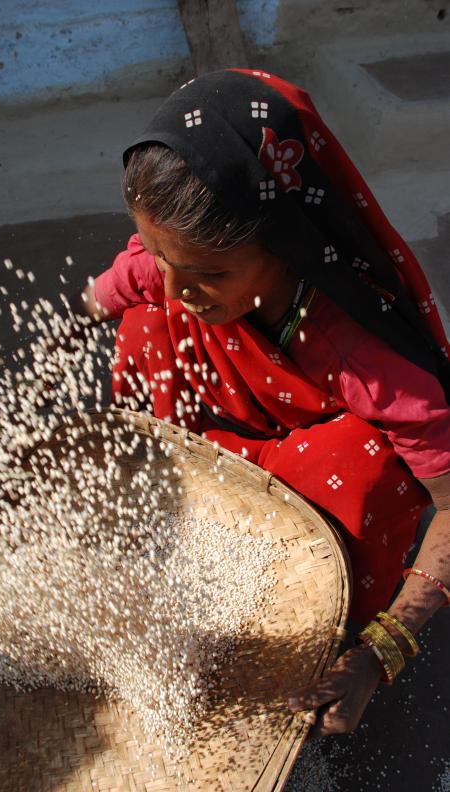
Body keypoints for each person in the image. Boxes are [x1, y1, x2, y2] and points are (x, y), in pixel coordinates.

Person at [68, 69, 450, 737]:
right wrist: (66, 337)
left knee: (367, 467)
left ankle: (321, 624)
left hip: (312, 486)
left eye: (211, 273)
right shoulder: (172, 269)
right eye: (161, 255)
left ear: (286, 244)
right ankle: (174, 524)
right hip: (215, 459)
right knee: (145, 322)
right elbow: (108, 293)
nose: (182, 287)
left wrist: (381, 651)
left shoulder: (363, 354)